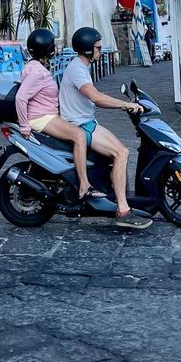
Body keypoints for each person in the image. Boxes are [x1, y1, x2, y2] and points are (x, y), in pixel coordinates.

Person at [59, 27, 152, 230]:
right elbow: (96, 97)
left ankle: (116, 198)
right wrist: (126, 104)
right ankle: (123, 210)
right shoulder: (77, 69)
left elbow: (95, 98)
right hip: (81, 125)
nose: (100, 51)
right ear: (86, 49)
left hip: (86, 122)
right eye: (98, 48)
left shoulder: (81, 67)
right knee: (121, 153)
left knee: (117, 154)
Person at [15, 29, 101, 203]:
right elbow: (21, 97)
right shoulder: (38, 72)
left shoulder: (32, 66)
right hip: (42, 118)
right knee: (79, 135)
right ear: (49, 49)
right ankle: (84, 186)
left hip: (47, 115)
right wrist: (24, 126)